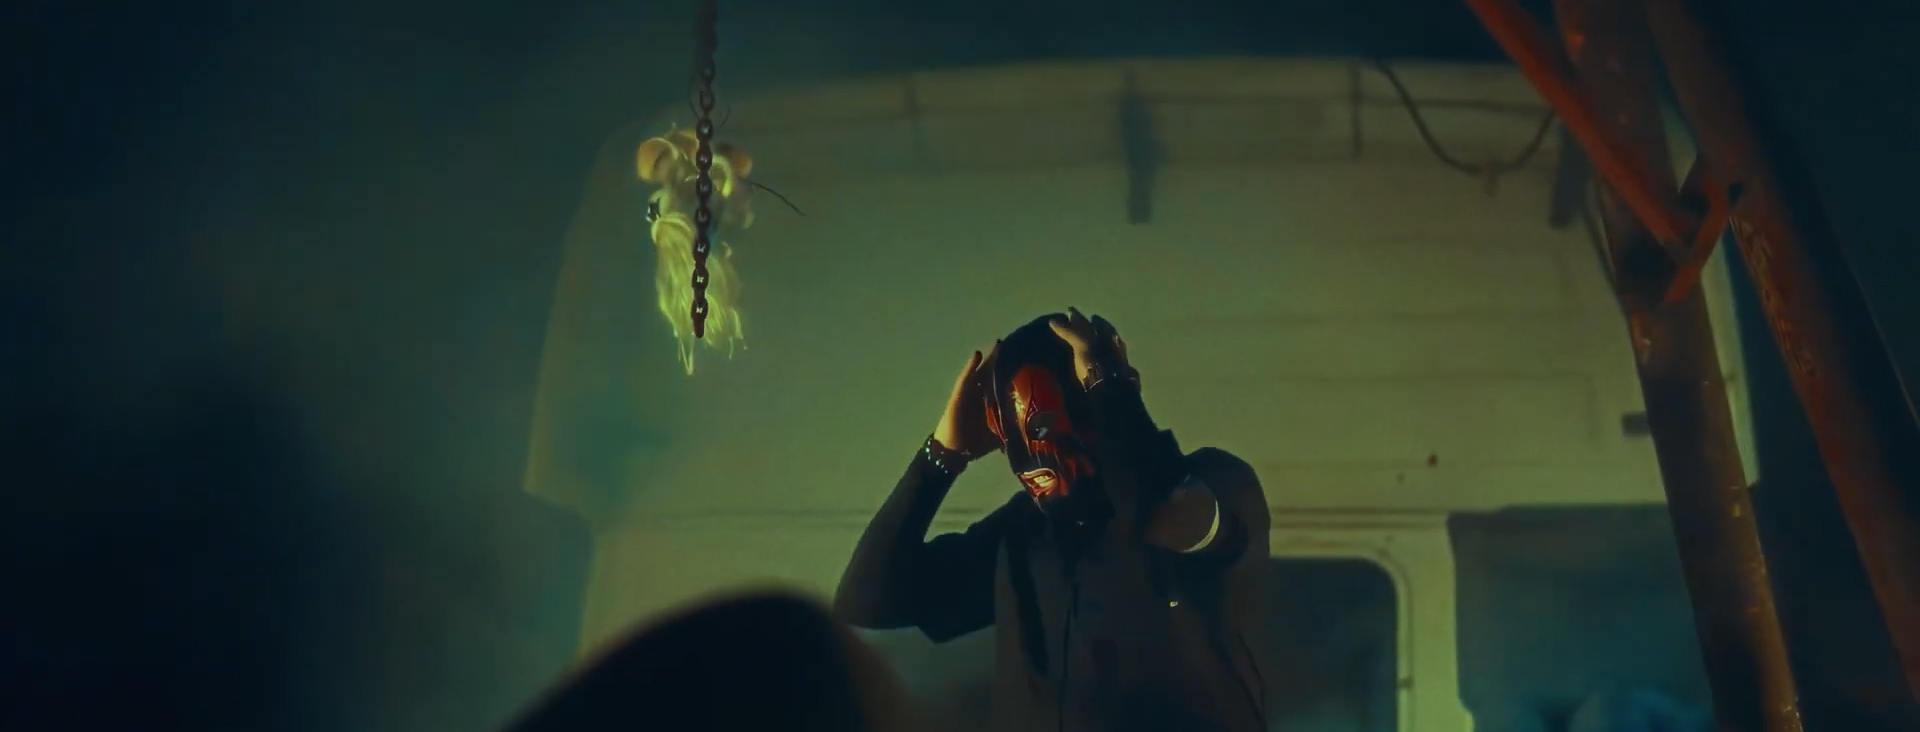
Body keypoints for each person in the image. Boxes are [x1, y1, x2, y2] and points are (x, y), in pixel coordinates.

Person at [835, 309, 1272, 732]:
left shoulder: (1215, 481)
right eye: (1018, 434)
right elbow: (871, 600)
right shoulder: (1022, 536)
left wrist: (1109, 387)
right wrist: (942, 456)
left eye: (1051, 423)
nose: (1039, 453)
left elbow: (1154, 514)